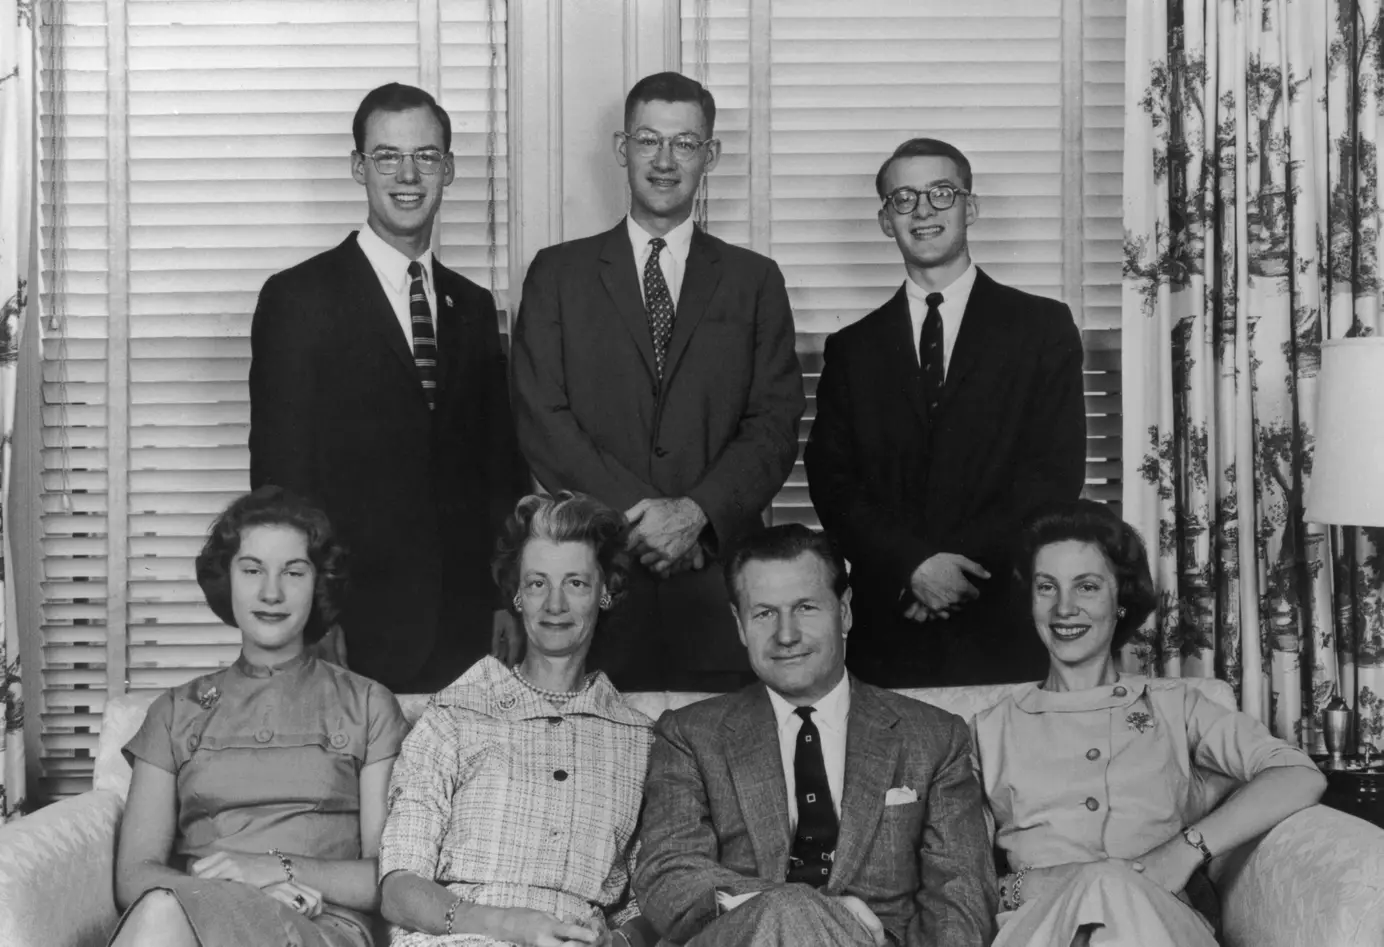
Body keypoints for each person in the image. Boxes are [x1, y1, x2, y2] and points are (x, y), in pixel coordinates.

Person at [510, 71, 804, 692]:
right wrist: (640, 527)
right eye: (648, 141)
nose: (665, 161)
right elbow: (543, 418)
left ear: (711, 155)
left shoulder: (755, 281)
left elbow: (773, 425)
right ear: (623, 150)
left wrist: (697, 514)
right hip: (598, 588)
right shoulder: (557, 275)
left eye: (685, 144)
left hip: (719, 587)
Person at [249, 82, 527, 694]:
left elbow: (497, 473)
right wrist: (312, 610)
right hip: (352, 625)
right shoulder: (299, 299)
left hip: (465, 629)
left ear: (448, 169)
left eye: (426, 156)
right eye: (387, 156)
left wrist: (504, 597)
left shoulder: (472, 306)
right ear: (359, 167)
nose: (408, 174)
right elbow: (279, 480)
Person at [972, 500, 1326, 947]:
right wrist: (1029, 886)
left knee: (1114, 889)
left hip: (1159, 923)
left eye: (1086, 587)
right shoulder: (989, 728)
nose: (1064, 608)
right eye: (1047, 587)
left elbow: (1296, 773)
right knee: (1105, 884)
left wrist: (1184, 850)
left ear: (1120, 599)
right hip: (1041, 929)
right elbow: (954, 872)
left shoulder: (1175, 706)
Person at [804, 137, 1086, 688]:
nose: (924, 209)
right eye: (904, 198)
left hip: (1003, 615)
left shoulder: (1041, 328)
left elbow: (1054, 474)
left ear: (970, 208)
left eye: (941, 192)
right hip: (889, 623)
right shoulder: (851, 348)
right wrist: (913, 566)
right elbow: (833, 483)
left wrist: (954, 570)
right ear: (887, 220)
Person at [633, 524, 996, 947]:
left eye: (805, 607)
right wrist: (805, 909)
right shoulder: (690, 734)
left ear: (844, 611)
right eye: (764, 613)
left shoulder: (934, 736)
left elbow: (962, 894)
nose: (786, 635)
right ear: (738, 624)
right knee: (789, 910)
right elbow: (668, 875)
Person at [109, 486, 410, 947]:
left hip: (320, 923)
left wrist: (276, 870)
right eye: (252, 570)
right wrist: (239, 891)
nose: (272, 592)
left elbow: (387, 877)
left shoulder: (368, 705)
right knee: (158, 912)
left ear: (320, 582)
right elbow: (134, 873)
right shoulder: (175, 711)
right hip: (197, 914)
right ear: (226, 579)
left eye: (294, 571)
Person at [379, 492, 658, 947]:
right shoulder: (453, 716)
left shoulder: (639, 740)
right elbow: (398, 891)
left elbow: (654, 894)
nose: (554, 604)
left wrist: (618, 940)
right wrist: (507, 926)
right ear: (517, 594)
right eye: (537, 584)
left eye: (576, 583)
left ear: (605, 592)